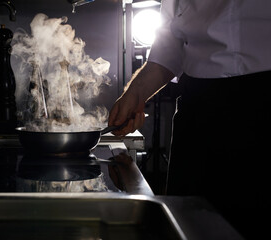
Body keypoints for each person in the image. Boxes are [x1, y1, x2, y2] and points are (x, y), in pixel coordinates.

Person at [108, 0, 270, 238]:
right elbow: (170, 43)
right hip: (198, 107)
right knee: (189, 226)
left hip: (263, 100)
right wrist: (135, 93)